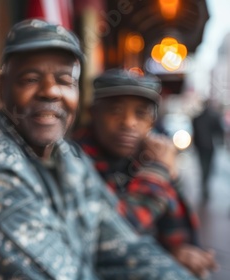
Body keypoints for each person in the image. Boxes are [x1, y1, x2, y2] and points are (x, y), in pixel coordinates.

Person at [0, 19, 197, 279]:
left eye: (64, 80)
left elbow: (122, 245)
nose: (50, 92)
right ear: (2, 89)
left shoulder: (68, 157)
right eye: (31, 79)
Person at [73, 69, 218, 278]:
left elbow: (181, 232)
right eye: (115, 110)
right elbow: (115, 234)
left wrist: (180, 252)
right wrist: (159, 172)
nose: (128, 123)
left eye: (140, 114)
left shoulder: (144, 156)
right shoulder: (74, 160)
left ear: (151, 123)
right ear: (92, 113)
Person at [192, 99, 224, 200]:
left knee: (203, 166)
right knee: (208, 167)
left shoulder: (197, 118)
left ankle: (204, 185)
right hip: (209, 146)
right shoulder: (213, 116)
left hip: (201, 147)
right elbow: (219, 131)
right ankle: (205, 186)